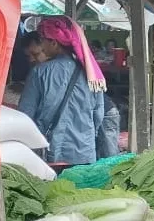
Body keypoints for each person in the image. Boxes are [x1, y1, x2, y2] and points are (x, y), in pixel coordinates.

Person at [18, 16, 106, 166]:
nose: (43, 46)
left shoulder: (40, 72)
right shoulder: (91, 73)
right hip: (84, 153)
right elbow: (98, 115)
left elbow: (25, 115)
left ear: (54, 42)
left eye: (43, 40)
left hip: (51, 153)